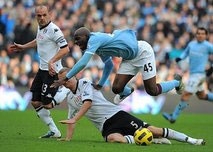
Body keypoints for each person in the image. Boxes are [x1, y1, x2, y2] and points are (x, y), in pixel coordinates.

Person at [55, 67, 205, 145]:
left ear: (74, 75)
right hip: (104, 127)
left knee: (154, 130)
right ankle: (152, 140)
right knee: (114, 139)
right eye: (62, 81)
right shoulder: (70, 98)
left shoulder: (85, 83)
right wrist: (68, 138)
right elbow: (70, 120)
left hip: (117, 115)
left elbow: (88, 103)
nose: (65, 82)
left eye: (67, 78)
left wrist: (75, 119)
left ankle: (191, 140)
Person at [51, 27, 184, 104]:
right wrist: (101, 83)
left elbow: (83, 63)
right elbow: (108, 65)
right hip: (128, 59)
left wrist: (66, 78)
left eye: (78, 39)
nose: (77, 43)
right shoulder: (97, 47)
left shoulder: (94, 39)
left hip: (143, 52)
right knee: (116, 88)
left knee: (152, 90)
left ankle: (176, 82)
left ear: (87, 36)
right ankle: (128, 91)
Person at [10, 5, 70, 138]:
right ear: (36, 16)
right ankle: (54, 131)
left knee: (47, 105)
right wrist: (23, 47)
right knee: (35, 102)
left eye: (44, 15)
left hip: (52, 71)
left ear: (50, 14)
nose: (42, 18)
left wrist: (52, 61)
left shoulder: (54, 30)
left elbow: (66, 49)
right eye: (39, 15)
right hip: (42, 70)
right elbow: (39, 40)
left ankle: (65, 89)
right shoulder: (40, 28)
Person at [163, 27, 213, 123]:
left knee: (185, 95)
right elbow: (185, 53)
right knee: (201, 95)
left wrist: (211, 68)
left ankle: (173, 117)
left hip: (199, 75)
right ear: (196, 34)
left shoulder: (208, 46)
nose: (200, 35)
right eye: (198, 33)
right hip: (193, 74)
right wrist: (179, 58)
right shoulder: (191, 44)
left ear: (206, 35)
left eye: (202, 33)